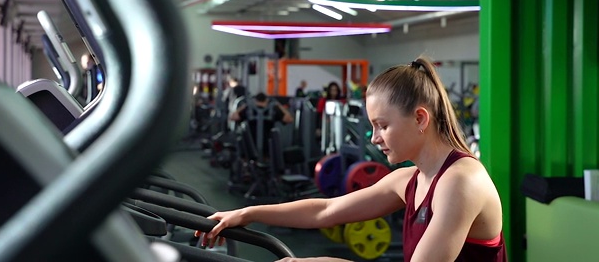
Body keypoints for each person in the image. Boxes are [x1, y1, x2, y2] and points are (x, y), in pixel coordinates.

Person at [196, 56, 507, 262]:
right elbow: (326, 210)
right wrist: (248, 213)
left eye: (383, 126)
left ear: (420, 118)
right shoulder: (409, 180)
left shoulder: (461, 181)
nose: (374, 138)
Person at [229, 92, 294, 158]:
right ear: (266, 100)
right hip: (265, 147)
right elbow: (289, 119)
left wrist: (244, 106)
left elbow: (233, 117)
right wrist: (279, 105)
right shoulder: (273, 110)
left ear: (255, 100)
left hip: (251, 147)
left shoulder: (248, 109)